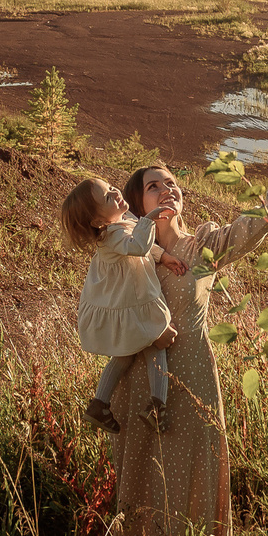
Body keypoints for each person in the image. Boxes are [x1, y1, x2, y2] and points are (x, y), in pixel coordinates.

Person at [108, 106, 268, 536]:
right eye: (155, 184)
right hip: (136, 376)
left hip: (192, 370)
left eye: (172, 182)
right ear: (137, 203)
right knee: (139, 473)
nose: (168, 188)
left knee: (194, 466)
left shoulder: (203, 246)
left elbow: (261, 221)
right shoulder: (123, 249)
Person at [60, 177, 183, 435]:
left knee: (126, 354)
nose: (116, 193)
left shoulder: (121, 221)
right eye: (107, 197)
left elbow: (146, 248)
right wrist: (150, 218)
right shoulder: (109, 236)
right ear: (98, 222)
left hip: (132, 302)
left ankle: (100, 404)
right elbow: (138, 246)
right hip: (134, 303)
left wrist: (165, 256)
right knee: (157, 344)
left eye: (111, 188)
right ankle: (157, 405)